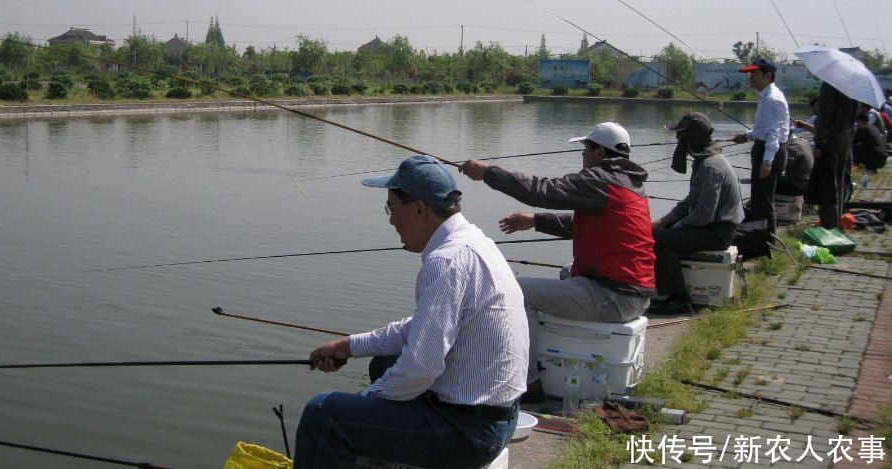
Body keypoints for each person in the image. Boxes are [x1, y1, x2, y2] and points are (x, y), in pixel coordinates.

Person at [295, 155, 530, 469]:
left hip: (469, 433)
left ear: (419, 209)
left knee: (323, 414)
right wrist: (349, 346)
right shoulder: (474, 242)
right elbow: (422, 327)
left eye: (392, 208)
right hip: (498, 418)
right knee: (385, 363)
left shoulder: (445, 261)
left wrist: (365, 400)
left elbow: (421, 366)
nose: (391, 220)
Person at [459, 121, 655, 402]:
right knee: (567, 273)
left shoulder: (599, 179)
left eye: (586, 149)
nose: (583, 156)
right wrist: (535, 221)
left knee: (512, 291)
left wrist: (488, 173)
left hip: (614, 296)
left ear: (600, 152)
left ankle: (526, 382)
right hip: (635, 291)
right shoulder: (630, 184)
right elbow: (584, 225)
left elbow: (542, 190)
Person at [649, 112, 743, 314]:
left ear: (689, 138)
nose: (676, 140)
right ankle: (669, 290)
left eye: (679, 135)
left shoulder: (711, 166)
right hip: (710, 227)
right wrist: (663, 221)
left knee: (660, 241)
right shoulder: (704, 162)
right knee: (660, 232)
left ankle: (677, 298)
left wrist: (677, 227)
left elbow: (703, 214)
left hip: (718, 233)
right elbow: (690, 202)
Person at [732, 58, 790, 237]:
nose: (751, 77)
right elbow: (764, 129)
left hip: (768, 151)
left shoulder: (771, 100)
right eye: (750, 74)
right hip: (766, 147)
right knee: (759, 199)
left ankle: (768, 242)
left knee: (763, 201)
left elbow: (773, 134)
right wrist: (747, 135)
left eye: (755, 74)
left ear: (768, 76)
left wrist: (766, 162)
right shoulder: (768, 96)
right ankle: (760, 239)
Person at [811, 82, 857, 229]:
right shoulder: (852, 86)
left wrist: (818, 143)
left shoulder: (829, 84)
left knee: (827, 183)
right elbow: (854, 115)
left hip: (831, 138)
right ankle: (838, 220)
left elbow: (824, 115)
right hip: (845, 137)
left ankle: (829, 225)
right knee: (840, 180)